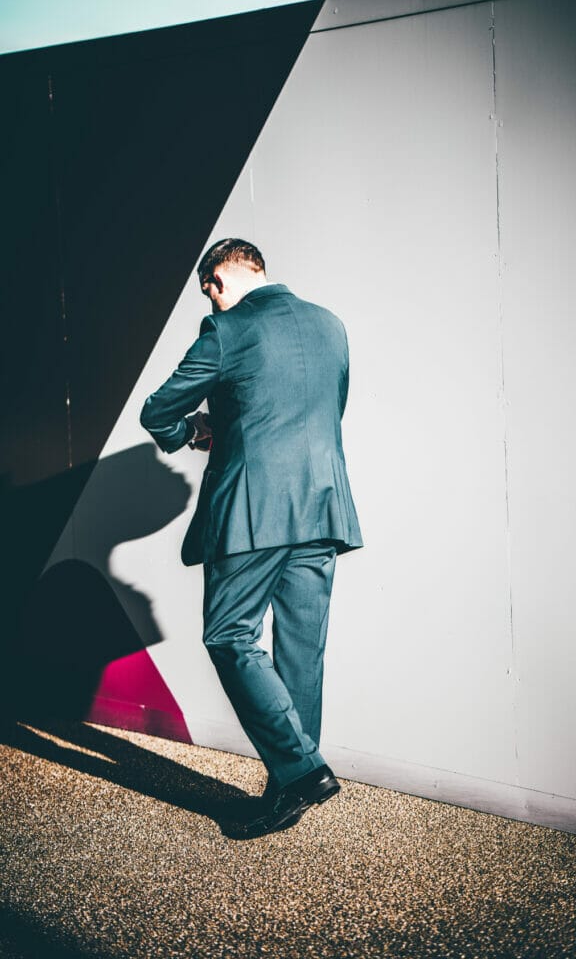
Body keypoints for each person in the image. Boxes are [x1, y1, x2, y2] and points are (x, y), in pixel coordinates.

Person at [139, 237, 363, 837]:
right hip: (322, 507)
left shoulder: (227, 330)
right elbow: (319, 410)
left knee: (229, 634)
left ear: (216, 281)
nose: (209, 301)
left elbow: (158, 410)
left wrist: (197, 431)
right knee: (300, 650)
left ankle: (299, 771)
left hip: (253, 510)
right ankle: (289, 783)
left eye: (207, 290)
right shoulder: (330, 326)